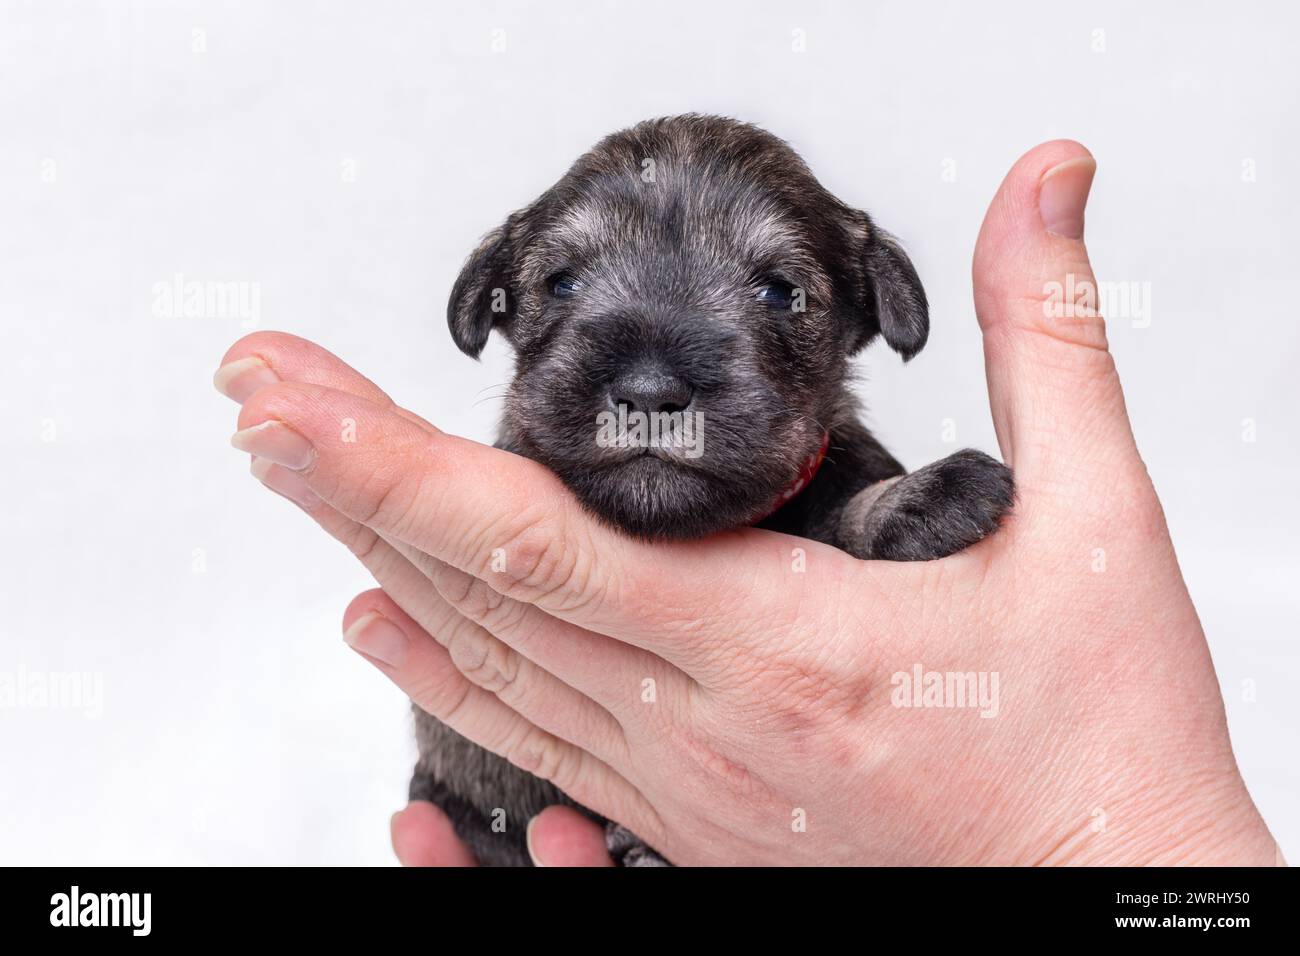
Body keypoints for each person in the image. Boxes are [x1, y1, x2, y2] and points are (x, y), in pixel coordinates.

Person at [214, 140, 1282, 866]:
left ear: (870, 317)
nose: (647, 388)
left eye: (778, 294)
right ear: (493, 306)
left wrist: (1096, 833)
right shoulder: (505, 514)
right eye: (566, 284)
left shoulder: (851, 482)